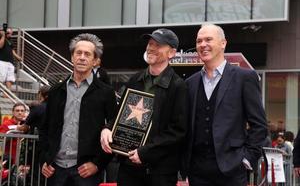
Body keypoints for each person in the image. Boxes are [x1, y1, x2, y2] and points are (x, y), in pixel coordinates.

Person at [101, 28, 188, 186]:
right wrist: (108, 128)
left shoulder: (178, 86)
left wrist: (146, 152)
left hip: (160, 173)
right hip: (128, 168)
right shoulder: (135, 79)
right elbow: (121, 115)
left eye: (158, 45)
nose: (151, 48)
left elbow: (178, 131)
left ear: (172, 53)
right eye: (150, 43)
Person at [183, 24, 268, 186]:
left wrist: (246, 160)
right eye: (199, 41)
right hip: (197, 172)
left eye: (208, 39)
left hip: (232, 171)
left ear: (223, 43)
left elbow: (259, 126)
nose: (202, 45)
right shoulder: (190, 83)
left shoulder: (245, 77)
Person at [39, 33, 117, 186]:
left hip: (86, 171)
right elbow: (45, 128)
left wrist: (98, 164)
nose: (82, 57)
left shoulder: (106, 92)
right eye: (78, 53)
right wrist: (45, 160)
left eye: (87, 54)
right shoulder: (56, 91)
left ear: (95, 61)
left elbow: (114, 129)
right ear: (72, 57)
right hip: (55, 170)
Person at [0, 27, 22, 92]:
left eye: (11, 33)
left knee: (10, 78)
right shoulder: (1, 38)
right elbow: (0, 46)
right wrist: (3, 36)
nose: (10, 34)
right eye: (9, 33)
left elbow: (12, 51)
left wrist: (17, 57)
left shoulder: (10, 41)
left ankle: (7, 93)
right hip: (2, 61)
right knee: (1, 78)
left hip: (10, 62)